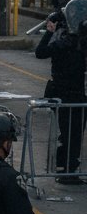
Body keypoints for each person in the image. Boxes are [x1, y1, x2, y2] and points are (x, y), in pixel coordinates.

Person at [35, 9, 86, 184]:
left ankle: (66, 167)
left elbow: (41, 52)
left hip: (66, 94)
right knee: (73, 133)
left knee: (69, 132)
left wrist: (49, 32)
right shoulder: (70, 44)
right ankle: (67, 169)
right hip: (72, 94)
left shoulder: (62, 42)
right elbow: (40, 52)